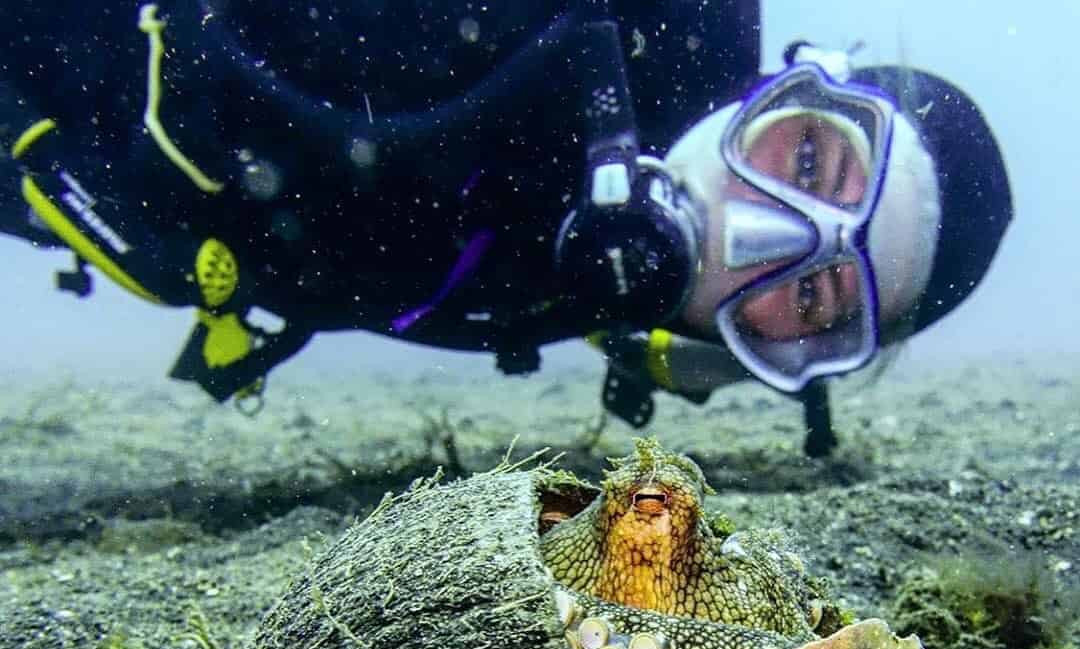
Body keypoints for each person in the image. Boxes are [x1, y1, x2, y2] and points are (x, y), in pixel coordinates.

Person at [1, 2, 1011, 455]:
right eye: (801, 163)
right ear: (781, 86)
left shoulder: (590, 295)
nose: (751, 241)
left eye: (808, 294)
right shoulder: (598, 29)